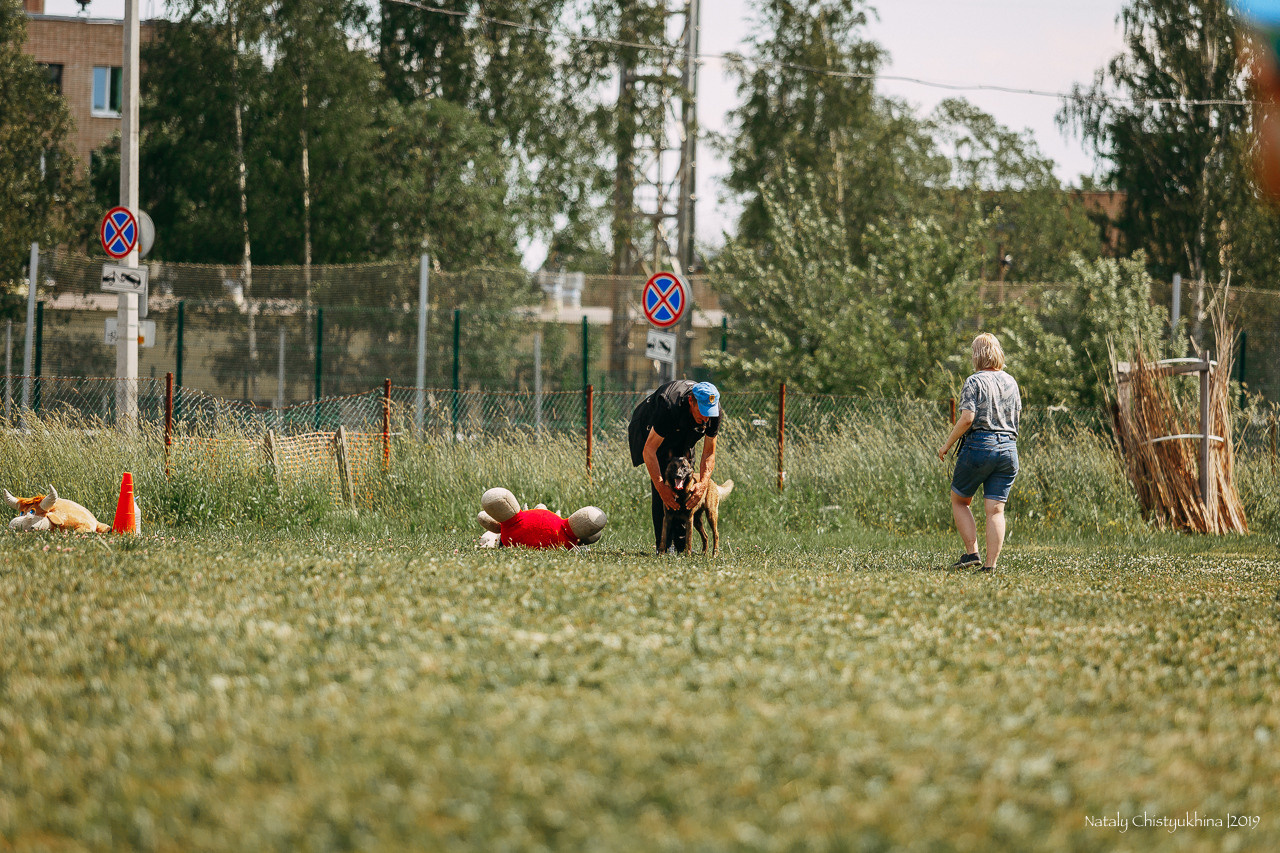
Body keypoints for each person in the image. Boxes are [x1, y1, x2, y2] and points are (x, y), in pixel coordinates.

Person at [937, 333, 1022, 573]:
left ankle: (971, 553)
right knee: (996, 510)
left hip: (980, 446)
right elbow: (1016, 416)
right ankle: (990, 566)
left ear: (977, 355)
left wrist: (947, 445)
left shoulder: (974, 381)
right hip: (1009, 448)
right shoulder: (1011, 382)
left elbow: (967, 418)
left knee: (960, 500)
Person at [628, 380, 721, 553]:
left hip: (683, 430)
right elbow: (649, 450)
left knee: (686, 476)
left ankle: (681, 547)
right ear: (691, 401)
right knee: (666, 483)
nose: (706, 418)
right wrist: (661, 487)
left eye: (710, 413)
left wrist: (703, 484)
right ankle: (664, 546)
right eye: (703, 412)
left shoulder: (712, 412)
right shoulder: (669, 406)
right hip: (649, 428)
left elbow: (709, 453)